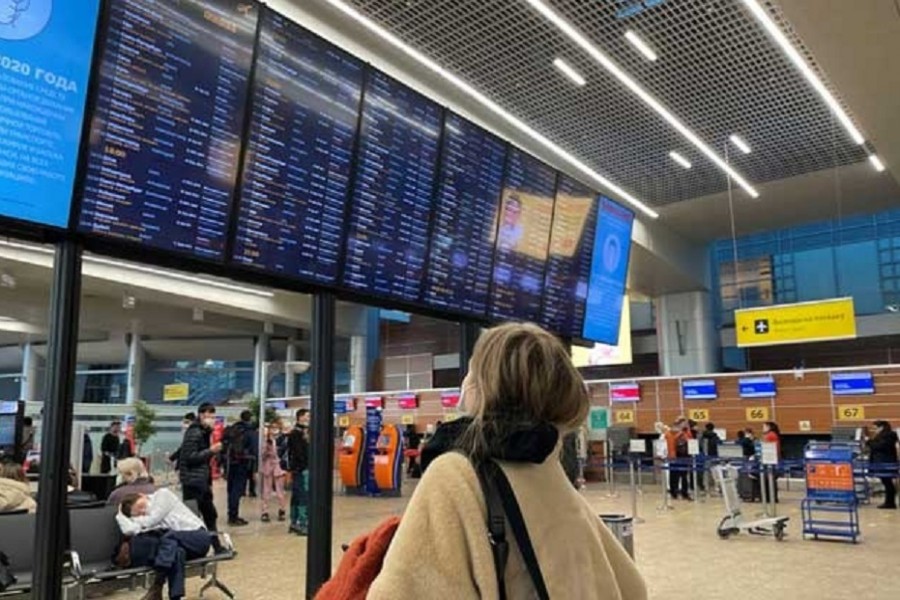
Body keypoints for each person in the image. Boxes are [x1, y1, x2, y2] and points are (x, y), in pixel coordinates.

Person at [368, 323, 646, 599]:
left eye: (472, 372)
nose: (465, 382)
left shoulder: (455, 473)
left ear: (486, 388)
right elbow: (632, 586)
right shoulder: (550, 473)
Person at [117, 488, 230, 600]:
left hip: (199, 537)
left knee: (168, 537)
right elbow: (129, 530)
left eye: (140, 506)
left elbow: (152, 520)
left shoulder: (162, 495)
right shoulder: (146, 517)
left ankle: (158, 584)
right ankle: (176, 597)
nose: (142, 511)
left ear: (142, 495)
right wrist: (120, 515)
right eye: (138, 513)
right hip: (181, 546)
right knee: (177, 552)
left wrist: (135, 520)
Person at [178, 403, 222, 532]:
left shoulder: (204, 432)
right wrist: (211, 451)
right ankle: (197, 546)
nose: (213, 420)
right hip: (193, 481)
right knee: (194, 516)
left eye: (214, 417)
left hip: (201, 480)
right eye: (210, 416)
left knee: (210, 514)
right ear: (202, 415)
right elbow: (190, 457)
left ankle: (216, 545)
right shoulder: (194, 432)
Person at [223, 410, 253, 526]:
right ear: (250, 419)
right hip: (242, 463)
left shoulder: (231, 429)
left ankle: (231, 515)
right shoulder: (248, 431)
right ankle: (233, 517)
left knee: (231, 491)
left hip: (230, 463)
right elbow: (254, 450)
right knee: (237, 491)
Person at [259, 420, 287, 523]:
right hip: (267, 467)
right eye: (272, 428)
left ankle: (282, 509)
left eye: (276, 428)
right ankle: (264, 511)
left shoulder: (283, 439)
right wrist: (267, 447)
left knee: (280, 490)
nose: (274, 430)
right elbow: (262, 454)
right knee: (266, 490)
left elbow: (283, 452)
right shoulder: (266, 440)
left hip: (279, 467)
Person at [288, 409, 310, 535]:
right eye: (307, 416)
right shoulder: (297, 434)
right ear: (300, 417)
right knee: (303, 496)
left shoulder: (299, 432)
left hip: (296, 469)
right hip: (302, 469)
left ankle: (294, 522)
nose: (309, 418)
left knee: (296, 495)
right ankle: (303, 523)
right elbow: (299, 453)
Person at [868, 420, 899, 509]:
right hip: (882, 462)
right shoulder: (885, 435)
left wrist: (869, 442)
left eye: (875, 428)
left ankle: (890, 503)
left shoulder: (888, 435)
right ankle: (889, 502)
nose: (874, 430)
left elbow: (879, 447)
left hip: (885, 462)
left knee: (887, 482)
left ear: (881, 427)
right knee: (887, 482)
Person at [665, 416, 693, 501]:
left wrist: (686, 433)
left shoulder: (686, 431)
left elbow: (690, 440)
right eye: (683, 423)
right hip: (674, 455)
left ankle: (685, 493)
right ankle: (674, 492)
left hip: (685, 455)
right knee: (674, 475)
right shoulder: (671, 432)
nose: (685, 424)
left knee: (684, 475)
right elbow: (671, 441)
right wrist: (679, 434)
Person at [761, 421, 782, 503]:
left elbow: (766, 447)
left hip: (769, 460)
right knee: (771, 479)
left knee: (769, 479)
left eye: (764, 426)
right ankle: (773, 497)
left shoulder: (769, 435)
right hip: (772, 459)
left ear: (769, 427)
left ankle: (770, 497)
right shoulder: (773, 435)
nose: (763, 428)